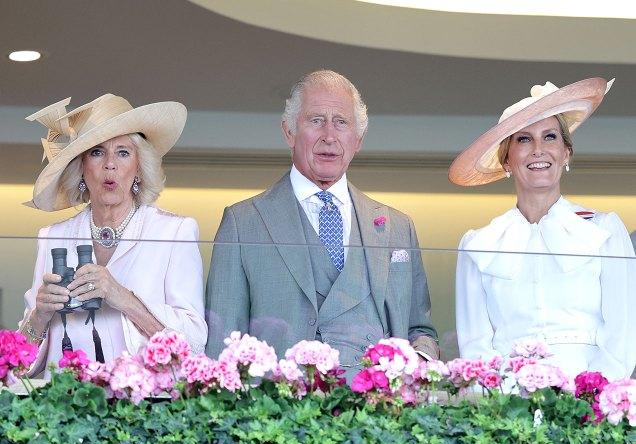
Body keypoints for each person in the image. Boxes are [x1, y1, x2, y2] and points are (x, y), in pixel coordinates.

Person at [206, 70, 438, 377]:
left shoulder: (397, 227)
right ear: (288, 131)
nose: (329, 135)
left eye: (341, 122)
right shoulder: (242, 223)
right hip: (281, 415)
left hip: (378, 415)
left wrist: (420, 361)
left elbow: (420, 330)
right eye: (316, 120)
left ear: (359, 139)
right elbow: (222, 347)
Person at [449, 77, 636, 380]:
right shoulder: (477, 244)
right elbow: (474, 345)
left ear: (566, 153)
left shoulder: (605, 231)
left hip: (588, 405)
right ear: (506, 160)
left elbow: (623, 336)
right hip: (507, 407)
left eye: (549, 137)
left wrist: (590, 400)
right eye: (523, 139)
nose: (538, 150)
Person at [19, 94, 207, 376]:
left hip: (146, 406)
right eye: (97, 152)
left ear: (139, 168)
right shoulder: (52, 237)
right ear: (81, 168)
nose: (110, 164)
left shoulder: (174, 232)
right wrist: (40, 314)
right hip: (65, 403)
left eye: (123, 152)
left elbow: (193, 346)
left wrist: (122, 297)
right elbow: (18, 366)